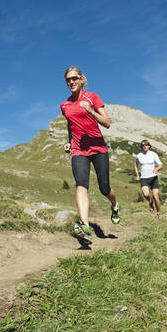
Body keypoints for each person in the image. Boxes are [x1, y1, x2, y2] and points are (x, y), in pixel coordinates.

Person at [61, 66, 120, 246]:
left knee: (104, 188)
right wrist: (70, 141)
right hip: (79, 150)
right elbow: (71, 125)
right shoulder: (65, 105)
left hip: (98, 148)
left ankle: (115, 205)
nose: (71, 82)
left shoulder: (92, 97)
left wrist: (91, 111)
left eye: (74, 78)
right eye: (68, 80)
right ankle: (85, 228)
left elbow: (107, 123)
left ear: (81, 79)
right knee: (81, 186)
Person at [135, 140, 163, 219]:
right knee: (146, 194)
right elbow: (135, 165)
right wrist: (137, 175)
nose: (145, 146)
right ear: (141, 147)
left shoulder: (153, 154)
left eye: (146, 145)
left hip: (153, 178)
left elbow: (161, 165)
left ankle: (158, 213)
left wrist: (156, 169)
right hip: (144, 178)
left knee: (156, 196)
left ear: (149, 146)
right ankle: (150, 202)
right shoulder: (139, 155)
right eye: (143, 145)